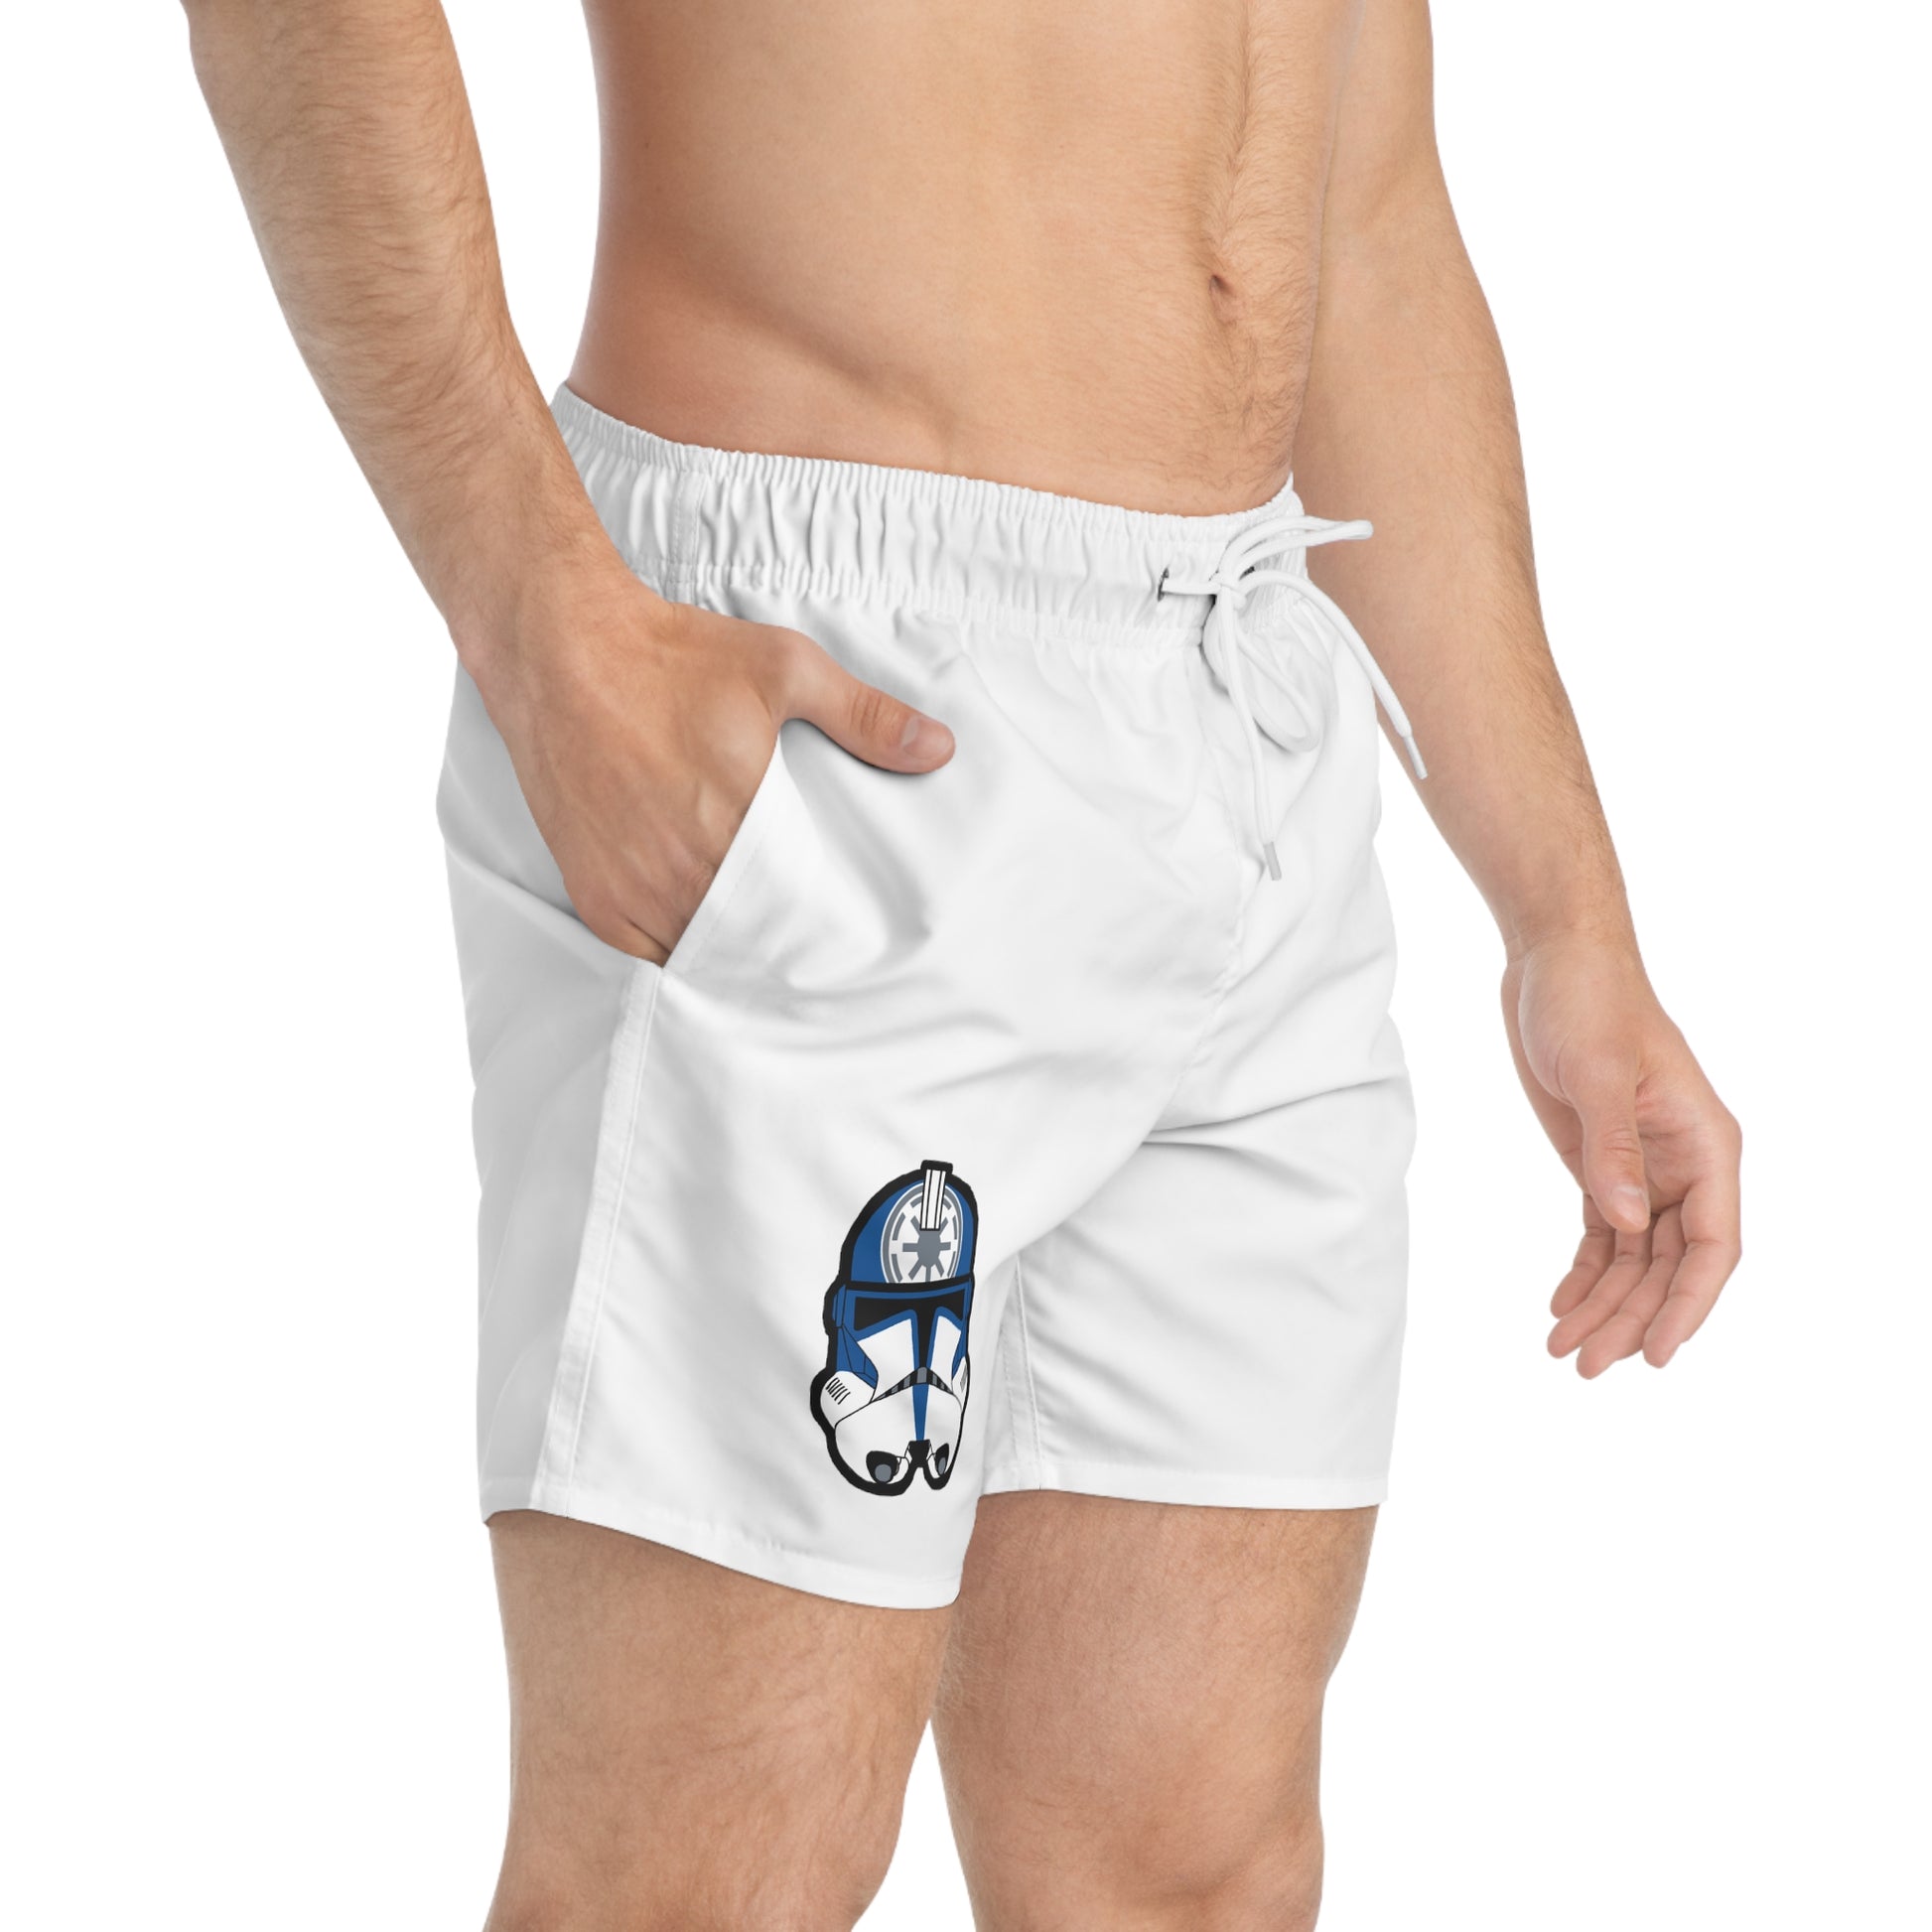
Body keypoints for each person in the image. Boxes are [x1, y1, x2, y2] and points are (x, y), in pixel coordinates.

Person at [183, 1, 1742, 1924]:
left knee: (1189, 1872)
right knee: (704, 1879)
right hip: (822, 689)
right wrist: (536, 607)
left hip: (1247, 708)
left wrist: (1565, 914)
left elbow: (1362, 215)